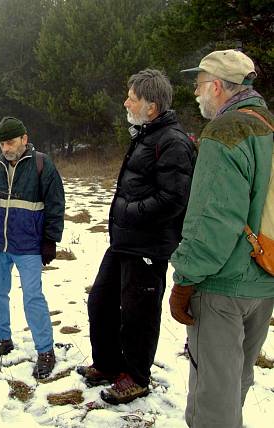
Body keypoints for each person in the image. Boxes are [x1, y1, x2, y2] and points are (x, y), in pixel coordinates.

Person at [169, 49, 274, 427]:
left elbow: (212, 220)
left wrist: (186, 279)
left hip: (222, 286)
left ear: (216, 86)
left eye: (198, 85)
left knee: (213, 399)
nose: (196, 94)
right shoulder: (268, 125)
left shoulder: (226, 131)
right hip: (264, 279)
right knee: (236, 383)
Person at [79, 69, 196, 404]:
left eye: (133, 97)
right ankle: (107, 364)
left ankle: (136, 377)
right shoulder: (146, 135)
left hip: (148, 245)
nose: (126, 101)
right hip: (124, 242)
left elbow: (174, 199)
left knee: (138, 314)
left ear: (152, 105)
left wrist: (129, 212)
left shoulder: (172, 141)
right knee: (100, 300)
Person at [0, 116, 65, 379]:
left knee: (33, 297)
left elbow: (56, 205)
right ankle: (2, 338)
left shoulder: (42, 165)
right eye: (2, 143)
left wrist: (51, 240)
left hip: (28, 245)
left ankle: (45, 350)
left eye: (10, 142)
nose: (6, 148)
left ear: (24, 139)